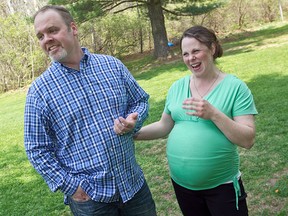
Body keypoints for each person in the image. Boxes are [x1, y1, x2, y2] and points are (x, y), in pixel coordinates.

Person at [24, 5, 157, 216]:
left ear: (73, 28)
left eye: (52, 30)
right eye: (40, 36)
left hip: (134, 187)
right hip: (91, 202)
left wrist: (135, 120)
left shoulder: (112, 66)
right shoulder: (40, 91)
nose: (46, 39)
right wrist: (71, 186)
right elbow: (36, 149)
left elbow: (139, 100)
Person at [134, 25, 258, 216]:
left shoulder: (235, 87)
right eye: (185, 53)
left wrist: (214, 114)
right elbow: (164, 125)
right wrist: (134, 133)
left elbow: (247, 139)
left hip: (222, 188)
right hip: (183, 188)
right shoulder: (177, 87)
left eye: (196, 51)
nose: (190, 58)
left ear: (212, 49)